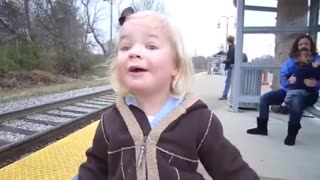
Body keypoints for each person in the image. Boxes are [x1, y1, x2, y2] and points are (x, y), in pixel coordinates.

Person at [76, 11, 258, 179]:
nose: (134, 52)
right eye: (125, 47)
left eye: (151, 46)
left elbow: (233, 171)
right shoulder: (110, 121)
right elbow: (94, 169)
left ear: (176, 66)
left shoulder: (200, 120)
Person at [246, 34, 320, 146]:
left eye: (306, 43)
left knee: (296, 102)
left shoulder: (317, 61)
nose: (303, 46)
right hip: (289, 91)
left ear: (311, 46)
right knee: (265, 98)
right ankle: (262, 128)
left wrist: (317, 83)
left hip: (308, 93)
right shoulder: (291, 61)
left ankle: (291, 134)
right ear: (297, 46)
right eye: (301, 44)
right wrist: (288, 80)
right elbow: (283, 78)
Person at [219, 35, 235, 100]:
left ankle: (224, 95)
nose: (226, 41)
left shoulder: (231, 48)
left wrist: (224, 61)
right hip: (232, 66)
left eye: (227, 40)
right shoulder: (233, 47)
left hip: (230, 67)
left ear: (228, 41)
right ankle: (225, 95)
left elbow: (231, 59)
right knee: (229, 81)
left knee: (228, 81)